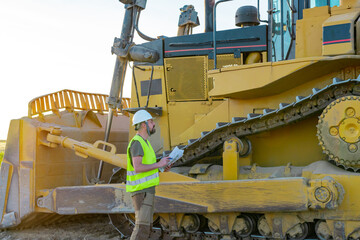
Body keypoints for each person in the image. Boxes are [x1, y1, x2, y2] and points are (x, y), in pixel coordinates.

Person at [126, 109, 171, 240]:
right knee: (141, 228)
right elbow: (138, 167)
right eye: (151, 121)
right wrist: (158, 164)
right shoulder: (137, 143)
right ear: (144, 124)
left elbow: (147, 168)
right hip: (141, 191)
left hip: (147, 190)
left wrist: (162, 168)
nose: (153, 124)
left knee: (147, 228)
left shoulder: (145, 143)